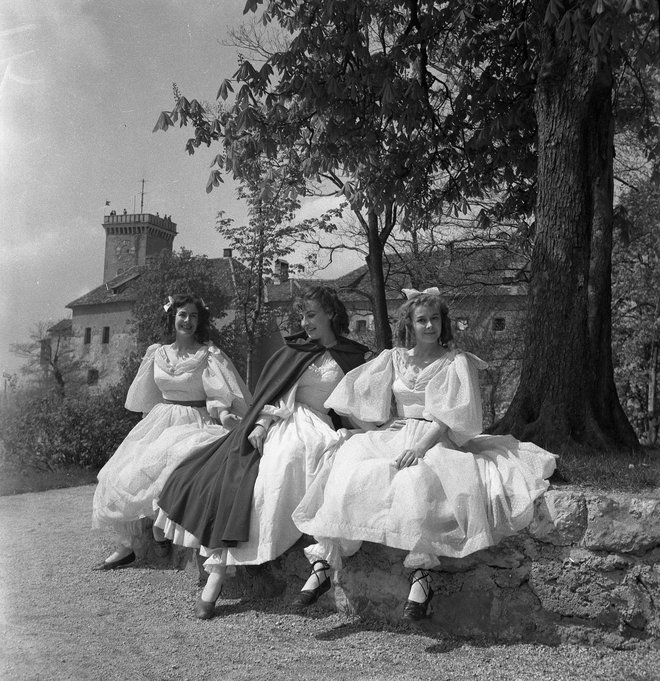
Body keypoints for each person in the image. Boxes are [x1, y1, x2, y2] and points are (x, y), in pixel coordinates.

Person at [292, 287, 557, 620]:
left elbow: (451, 416)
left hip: (436, 437)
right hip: (397, 430)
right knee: (351, 467)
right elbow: (351, 394)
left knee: (419, 482)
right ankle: (323, 564)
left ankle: (421, 577)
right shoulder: (395, 357)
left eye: (434, 319)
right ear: (410, 324)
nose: (429, 326)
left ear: (442, 323)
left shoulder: (455, 362)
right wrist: (375, 432)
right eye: (421, 320)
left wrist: (419, 447)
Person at [153, 286, 368, 619]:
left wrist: (371, 434)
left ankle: (318, 561)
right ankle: (217, 571)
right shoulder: (296, 350)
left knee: (284, 469)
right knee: (239, 477)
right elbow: (279, 395)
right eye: (303, 315)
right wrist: (260, 424)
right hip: (282, 422)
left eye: (311, 315)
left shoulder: (353, 356)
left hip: (319, 427)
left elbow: (356, 406)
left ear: (331, 314)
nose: (305, 322)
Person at [92, 294, 250, 570]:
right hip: (162, 418)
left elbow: (219, 395)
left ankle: (160, 527)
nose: (188, 321)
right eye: (182, 315)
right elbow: (147, 396)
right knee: (122, 472)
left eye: (193, 316)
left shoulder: (208, 355)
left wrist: (224, 415)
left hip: (195, 420)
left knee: (176, 461)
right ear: (172, 317)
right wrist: (146, 431)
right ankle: (128, 545)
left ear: (200, 321)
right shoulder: (157, 352)